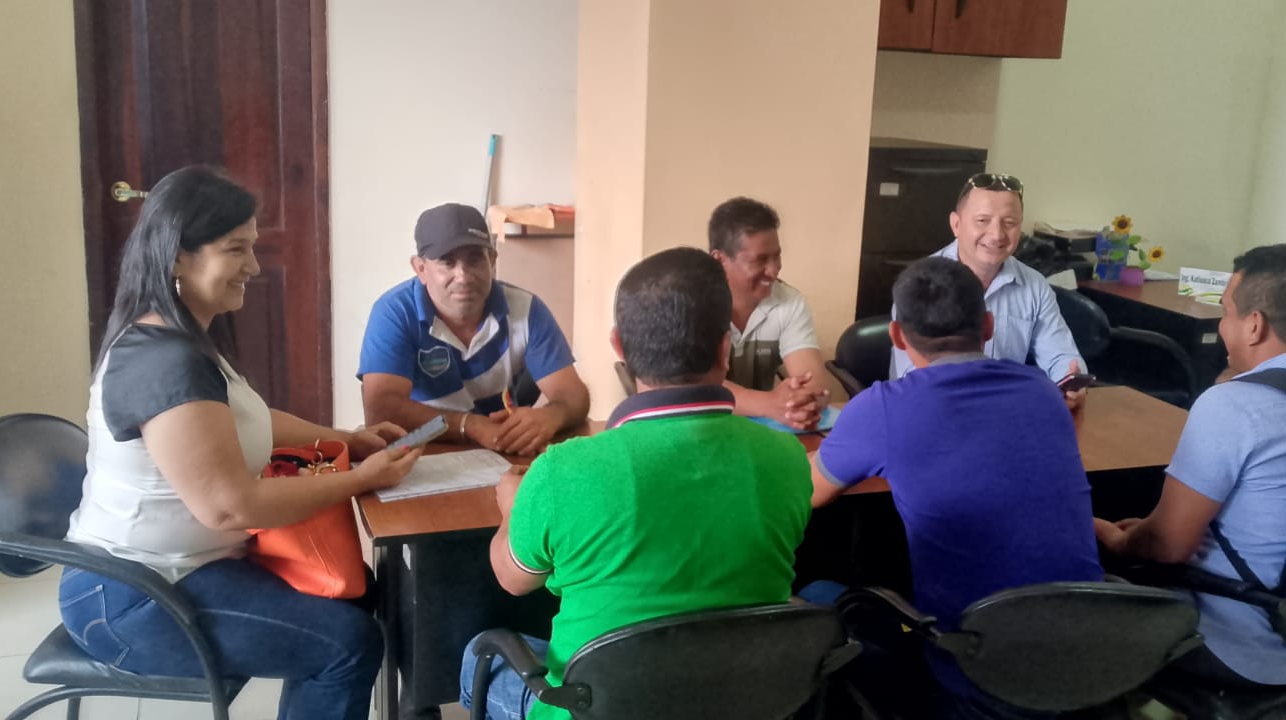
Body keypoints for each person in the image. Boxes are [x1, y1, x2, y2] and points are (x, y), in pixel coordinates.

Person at [60, 166, 422, 720]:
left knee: (358, 593)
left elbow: (250, 420)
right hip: (129, 598)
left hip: (184, 568)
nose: (254, 265)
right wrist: (361, 479)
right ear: (177, 257)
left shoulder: (182, 338)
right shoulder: (163, 360)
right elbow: (231, 507)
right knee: (346, 643)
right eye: (236, 249)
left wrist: (347, 440)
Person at [460, 247, 812, 719]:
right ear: (725, 348)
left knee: (477, 656)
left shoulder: (563, 470)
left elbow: (512, 578)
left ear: (619, 347)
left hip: (597, 708)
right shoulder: (788, 458)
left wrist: (511, 508)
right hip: (738, 702)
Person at [810, 257, 1104, 718]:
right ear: (988, 325)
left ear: (897, 336)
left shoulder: (883, 408)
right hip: (1093, 665)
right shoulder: (1044, 392)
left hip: (975, 679)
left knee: (820, 593)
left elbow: (809, 491)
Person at [1095, 244, 1286, 689]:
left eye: (1227, 312)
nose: (1222, 325)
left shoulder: (1234, 405)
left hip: (1238, 646)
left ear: (1254, 325)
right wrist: (1156, 528)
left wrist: (1115, 537)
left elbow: (1167, 548)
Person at [359, 202, 589, 455]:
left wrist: (551, 416)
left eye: (475, 259)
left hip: (502, 452)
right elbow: (381, 410)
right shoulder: (394, 313)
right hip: (421, 453)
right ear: (421, 269)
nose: (464, 276)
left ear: (492, 260)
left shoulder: (527, 309)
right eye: (447, 262)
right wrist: (469, 426)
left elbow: (574, 395)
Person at [890, 173, 1087, 411]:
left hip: (1006, 412)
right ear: (956, 224)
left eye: (1009, 223)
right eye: (983, 220)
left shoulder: (1034, 285)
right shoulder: (920, 282)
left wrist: (1070, 382)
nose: (997, 234)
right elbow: (911, 375)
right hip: (934, 409)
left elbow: (1061, 355)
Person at [708, 197, 831, 429]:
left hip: (764, 431)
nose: (773, 271)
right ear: (720, 260)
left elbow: (814, 380)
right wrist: (768, 403)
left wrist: (806, 402)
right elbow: (694, 388)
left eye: (777, 256)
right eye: (760, 260)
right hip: (703, 430)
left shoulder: (789, 302)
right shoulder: (693, 304)